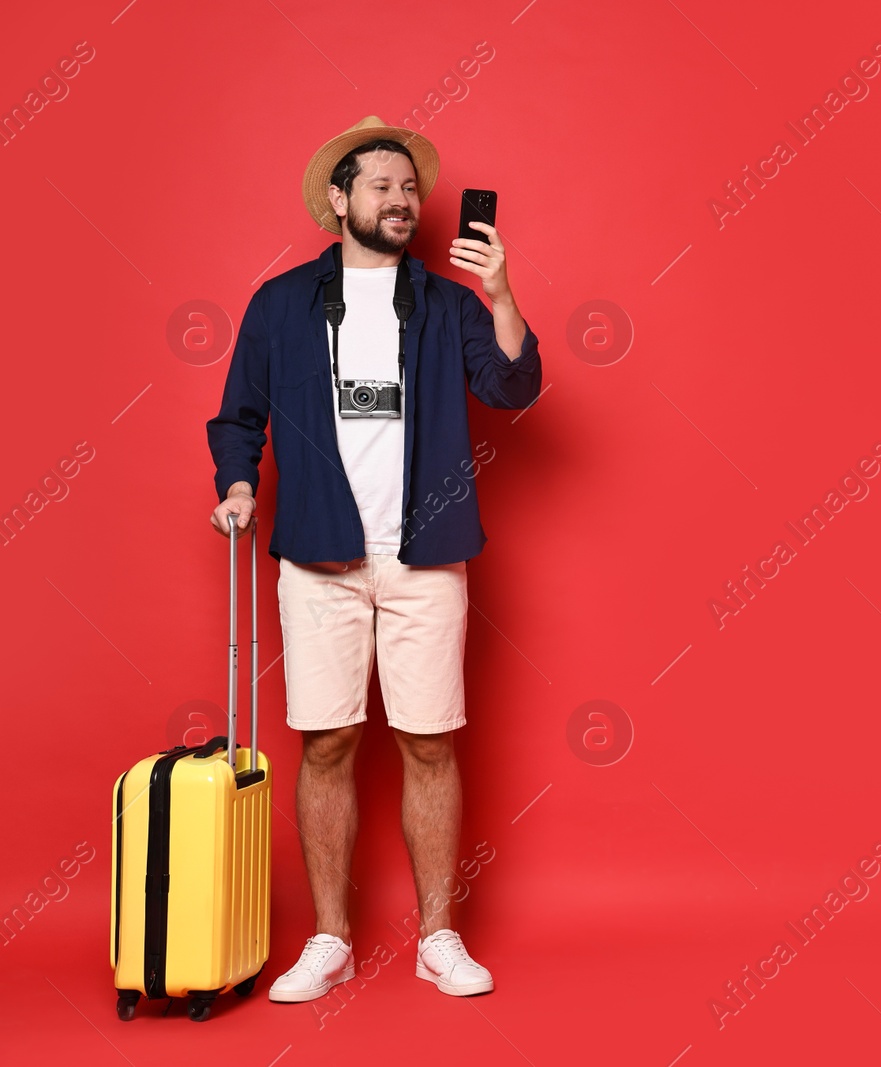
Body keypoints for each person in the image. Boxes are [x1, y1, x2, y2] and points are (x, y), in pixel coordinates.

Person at [205, 115, 540, 1002]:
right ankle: (329, 938)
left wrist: (503, 292)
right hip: (317, 556)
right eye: (383, 186)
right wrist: (238, 484)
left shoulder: (446, 301)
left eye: (409, 187)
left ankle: (439, 935)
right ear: (338, 199)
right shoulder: (280, 304)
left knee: (429, 742)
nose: (403, 200)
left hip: (427, 555)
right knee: (328, 742)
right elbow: (238, 414)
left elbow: (512, 385)